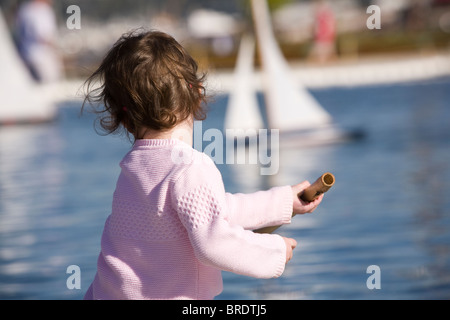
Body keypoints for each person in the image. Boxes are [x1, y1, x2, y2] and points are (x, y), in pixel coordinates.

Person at [82, 30, 323, 300]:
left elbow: (209, 211)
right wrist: (274, 250)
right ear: (196, 94)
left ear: (123, 118)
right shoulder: (190, 167)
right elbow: (213, 242)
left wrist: (281, 203)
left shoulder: (134, 169)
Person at [16, 0, 62, 83]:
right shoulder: (42, 10)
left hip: (26, 54)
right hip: (42, 56)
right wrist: (58, 48)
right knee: (51, 85)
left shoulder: (25, 9)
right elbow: (43, 36)